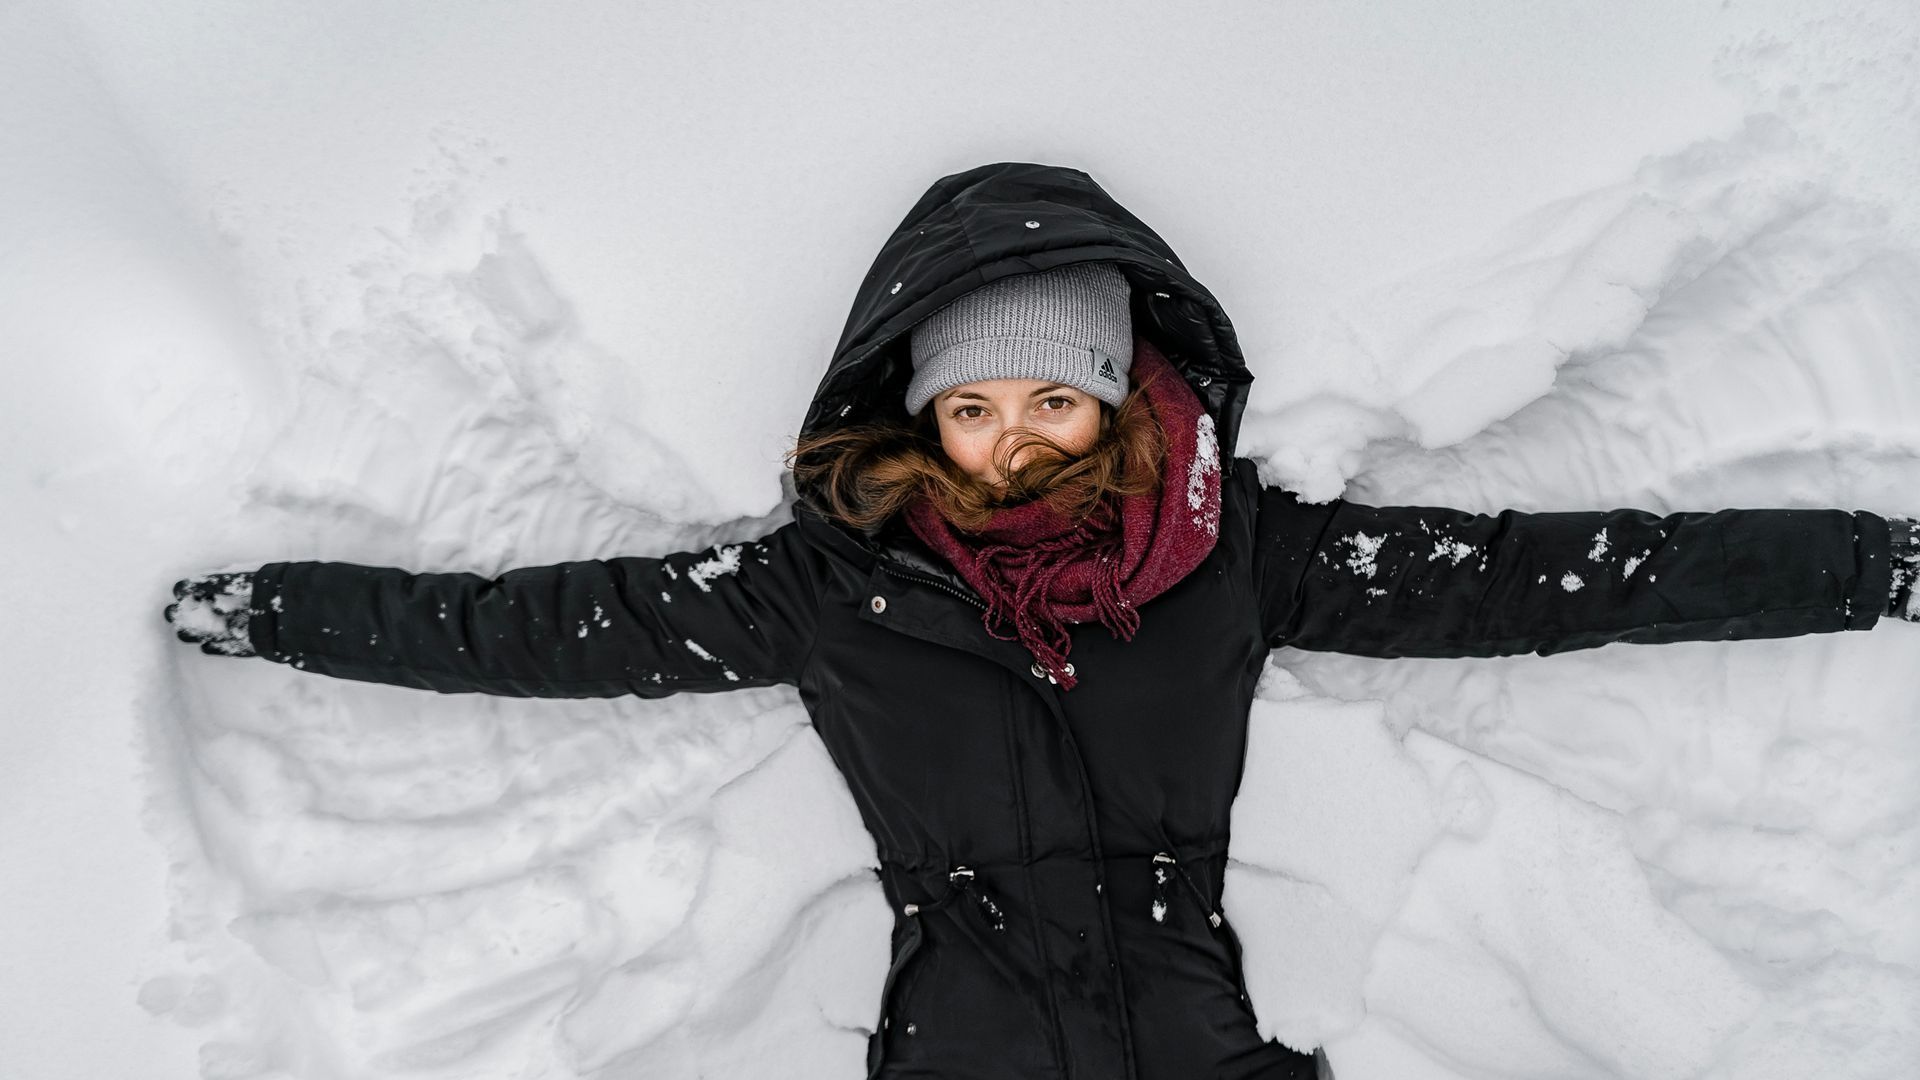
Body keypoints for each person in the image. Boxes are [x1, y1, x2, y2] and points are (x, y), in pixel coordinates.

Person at [165, 161, 1920, 1080]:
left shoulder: (1237, 558)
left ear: (1120, 404)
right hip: (967, 1045)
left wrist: (1869, 566)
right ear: (916, 414)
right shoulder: (830, 584)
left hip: (1202, 1030)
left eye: (1053, 404)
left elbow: (1559, 577)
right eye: (974, 410)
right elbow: (523, 634)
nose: (1012, 442)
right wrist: (268, 611)